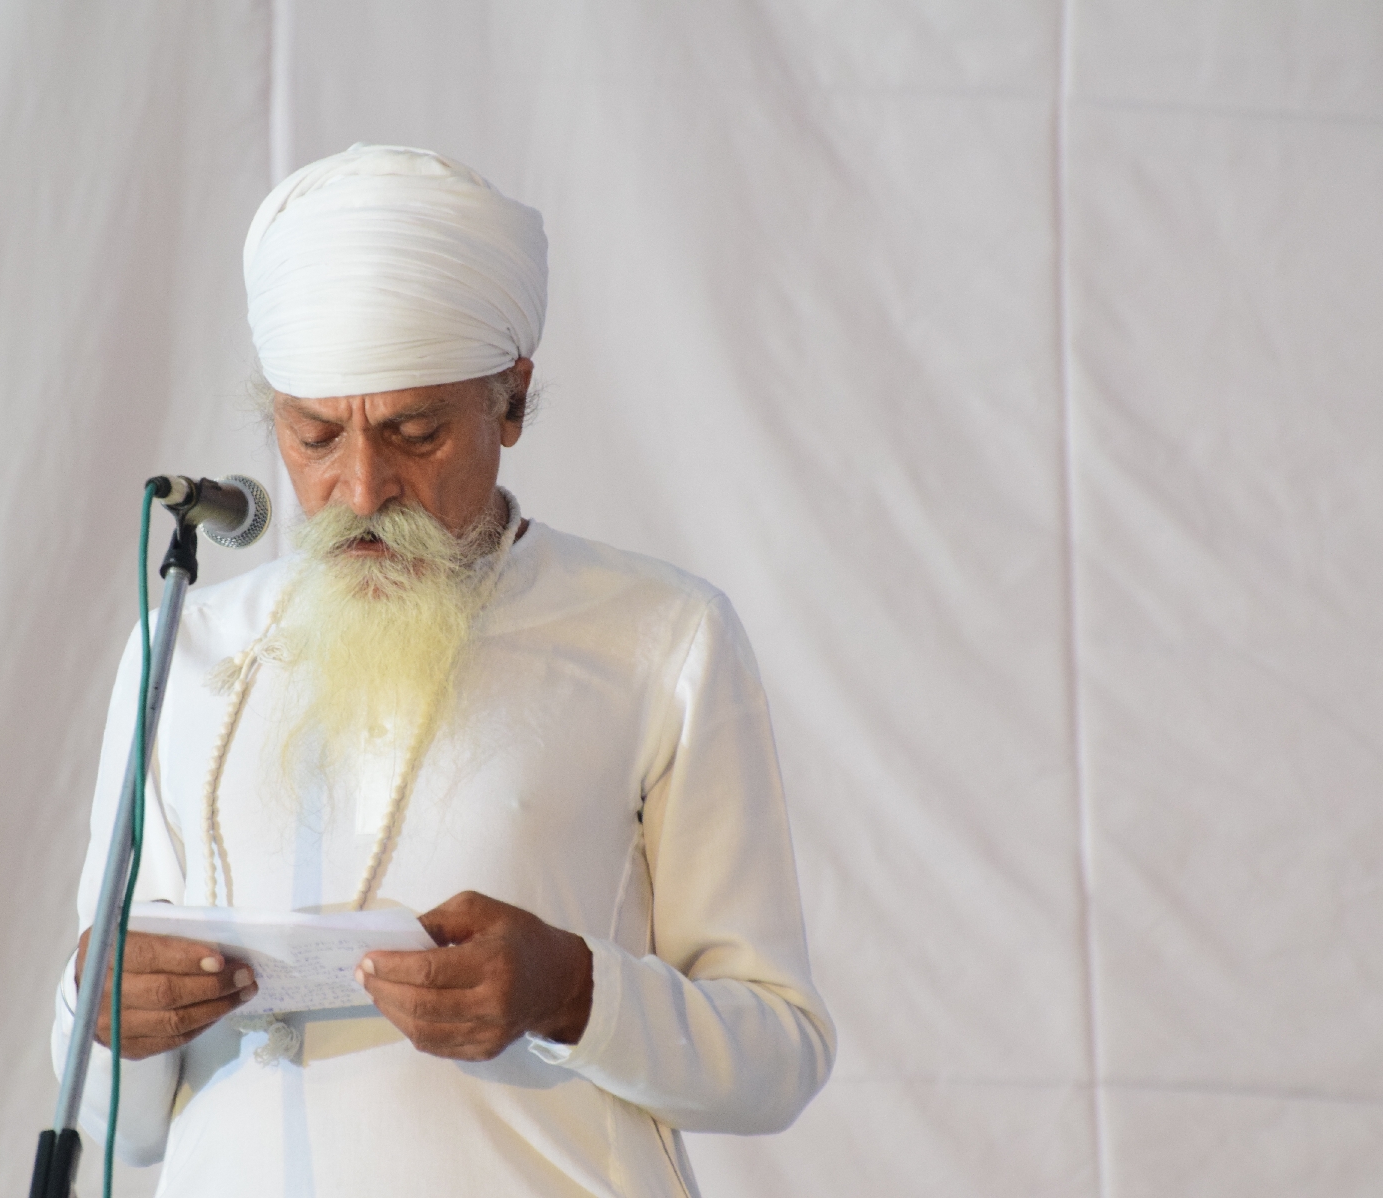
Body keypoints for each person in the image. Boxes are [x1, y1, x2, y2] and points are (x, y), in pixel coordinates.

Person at [52, 143, 834, 1198]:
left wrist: (574, 992)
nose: (361, 488)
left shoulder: (659, 634)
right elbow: (121, 1120)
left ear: (510, 400)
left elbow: (777, 1055)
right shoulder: (188, 641)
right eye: (314, 437)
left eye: (414, 434)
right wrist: (104, 1011)